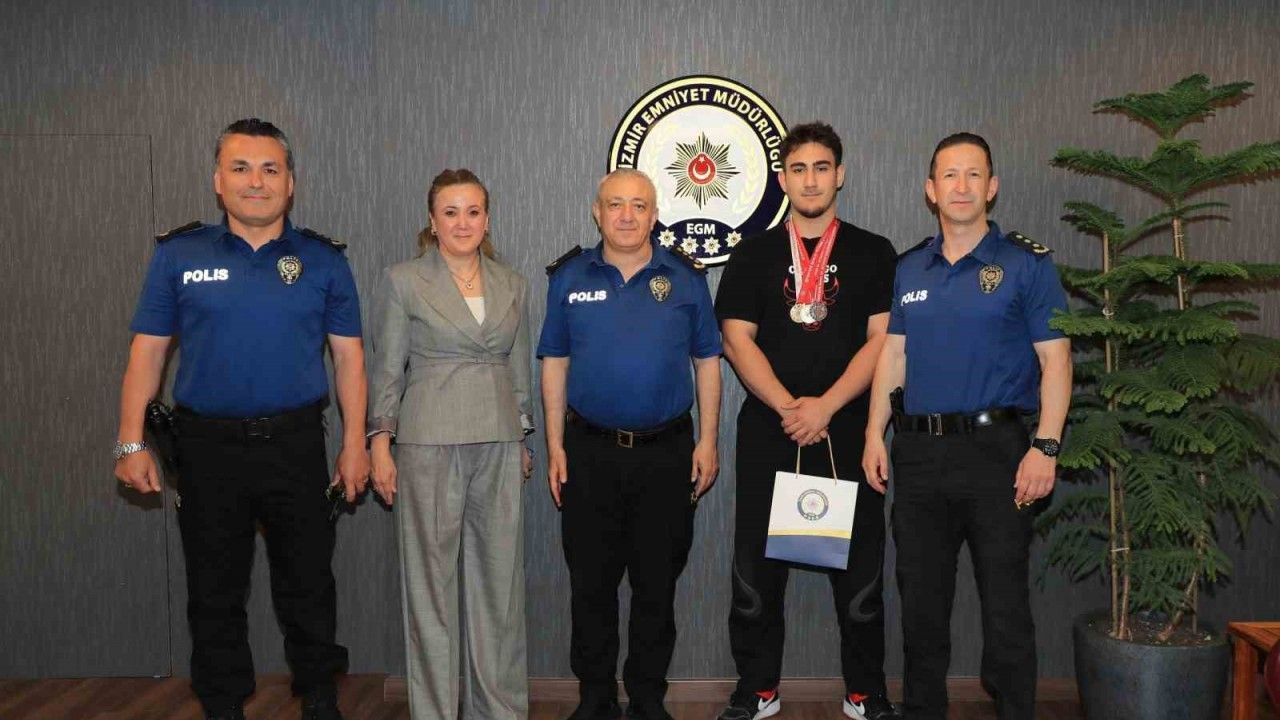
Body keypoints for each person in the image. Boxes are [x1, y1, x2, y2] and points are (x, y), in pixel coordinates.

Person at [113, 118, 369, 720]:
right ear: (218, 181)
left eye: (270, 169)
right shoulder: (179, 255)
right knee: (214, 590)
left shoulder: (324, 260)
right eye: (241, 168)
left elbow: (350, 359)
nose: (256, 181)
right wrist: (130, 442)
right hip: (207, 449)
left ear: (291, 183)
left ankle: (320, 699)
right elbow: (148, 352)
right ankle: (223, 705)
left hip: (295, 446)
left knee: (308, 585)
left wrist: (355, 443)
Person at [861, 132, 1072, 720]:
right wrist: (874, 433)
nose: (961, 186)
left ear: (992, 187)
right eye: (949, 175)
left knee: (1005, 606)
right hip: (919, 456)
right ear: (931, 190)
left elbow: (1057, 361)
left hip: (998, 454)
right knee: (921, 605)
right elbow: (894, 356)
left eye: (973, 174)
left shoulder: (1027, 264)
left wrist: (1046, 447)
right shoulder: (910, 267)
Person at [713, 122, 901, 720]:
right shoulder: (753, 252)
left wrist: (826, 406)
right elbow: (735, 339)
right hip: (771, 429)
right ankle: (758, 689)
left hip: (847, 429)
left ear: (839, 175)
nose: (811, 180)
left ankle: (864, 692)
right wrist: (790, 408)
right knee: (756, 573)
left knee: (861, 573)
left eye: (822, 168)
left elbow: (882, 342)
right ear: (783, 179)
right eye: (799, 169)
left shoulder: (875, 251)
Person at [537, 169, 722, 720]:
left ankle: (646, 700)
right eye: (614, 204)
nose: (625, 215)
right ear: (597, 212)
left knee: (656, 586)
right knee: (590, 586)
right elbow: (554, 362)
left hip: (667, 455)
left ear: (655, 214)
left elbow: (708, 362)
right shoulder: (568, 277)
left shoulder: (686, 278)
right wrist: (554, 446)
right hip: (589, 454)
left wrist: (709, 440)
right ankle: (595, 698)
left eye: (638, 205)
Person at [366, 168, 534, 720]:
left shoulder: (513, 283)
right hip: (428, 441)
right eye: (451, 212)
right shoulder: (403, 281)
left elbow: (519, 369)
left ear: (487, 219)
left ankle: (500, 710)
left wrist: (523, 434)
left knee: (500, 587)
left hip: (499, 440)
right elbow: (386, 369)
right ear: (432, 221)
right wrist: (380, 442)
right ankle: (435, 711)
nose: (463, 223)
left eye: (473, 212)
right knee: (430, 588)